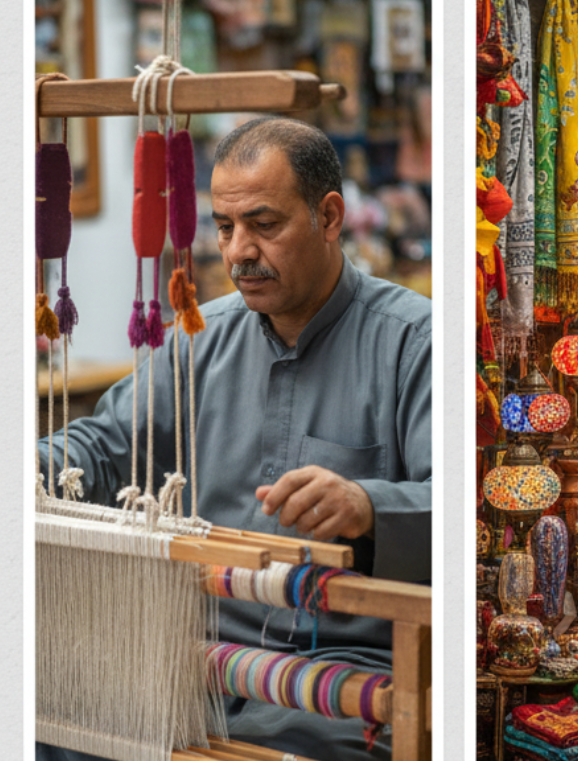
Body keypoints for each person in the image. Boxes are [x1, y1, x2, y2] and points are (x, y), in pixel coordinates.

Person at [38, 117, 431, 761]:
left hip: (338, 675)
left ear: (329, 217)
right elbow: (105, 447)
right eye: (224, 227)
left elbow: (451, 507)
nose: (238, 250)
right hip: (190, 657)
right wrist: (27, 467)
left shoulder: (414, 343)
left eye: (264, 224)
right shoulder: (200, 335)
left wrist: (367, 506)